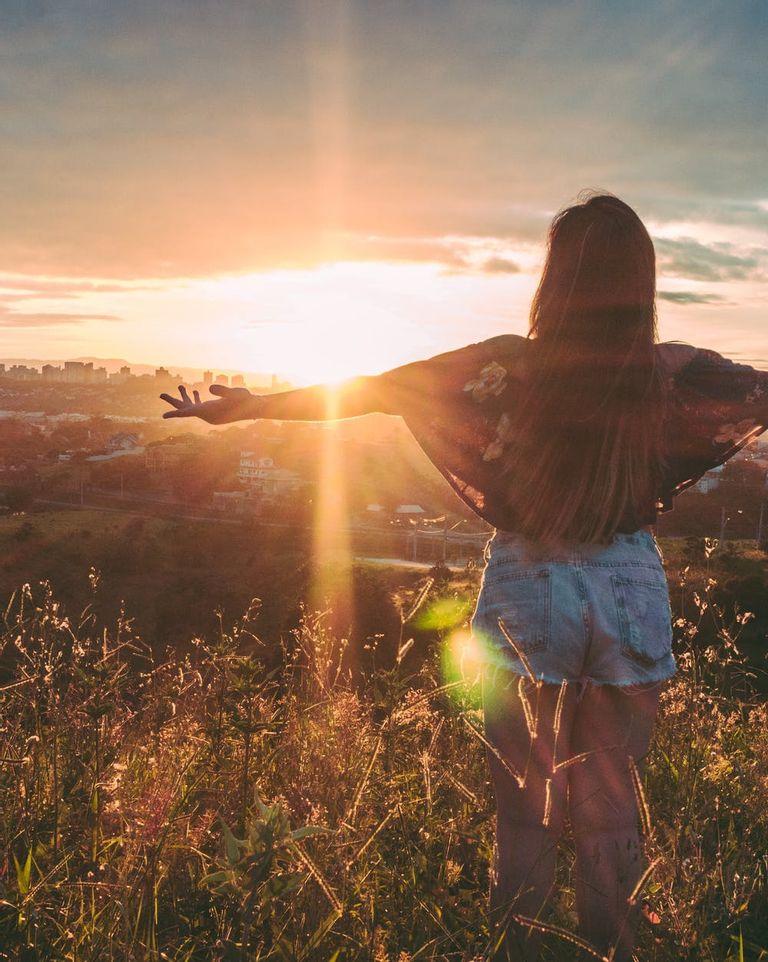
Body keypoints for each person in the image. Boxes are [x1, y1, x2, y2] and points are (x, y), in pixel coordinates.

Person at [161, 191, 768, 960]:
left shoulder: (504, 364)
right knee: (614, 809)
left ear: (556, 280)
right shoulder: (674, 371)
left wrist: (245, 408)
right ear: (640, 281)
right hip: (629, 587)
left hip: (529, 582)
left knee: (526, 815)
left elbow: (375, 389)